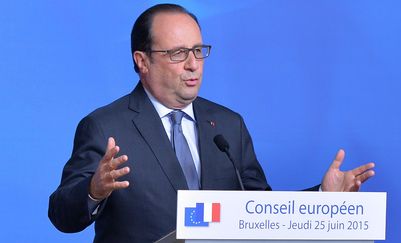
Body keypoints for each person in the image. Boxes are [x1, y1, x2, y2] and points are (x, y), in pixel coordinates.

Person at [48, 4, 375, 243]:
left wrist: (323, 197)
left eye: (198, 50)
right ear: (142, 60)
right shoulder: (105, 126)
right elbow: (62, 215)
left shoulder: (229, 126)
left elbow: (260, 212)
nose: (193, 65)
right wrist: (93, 190)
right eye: (177, 53)